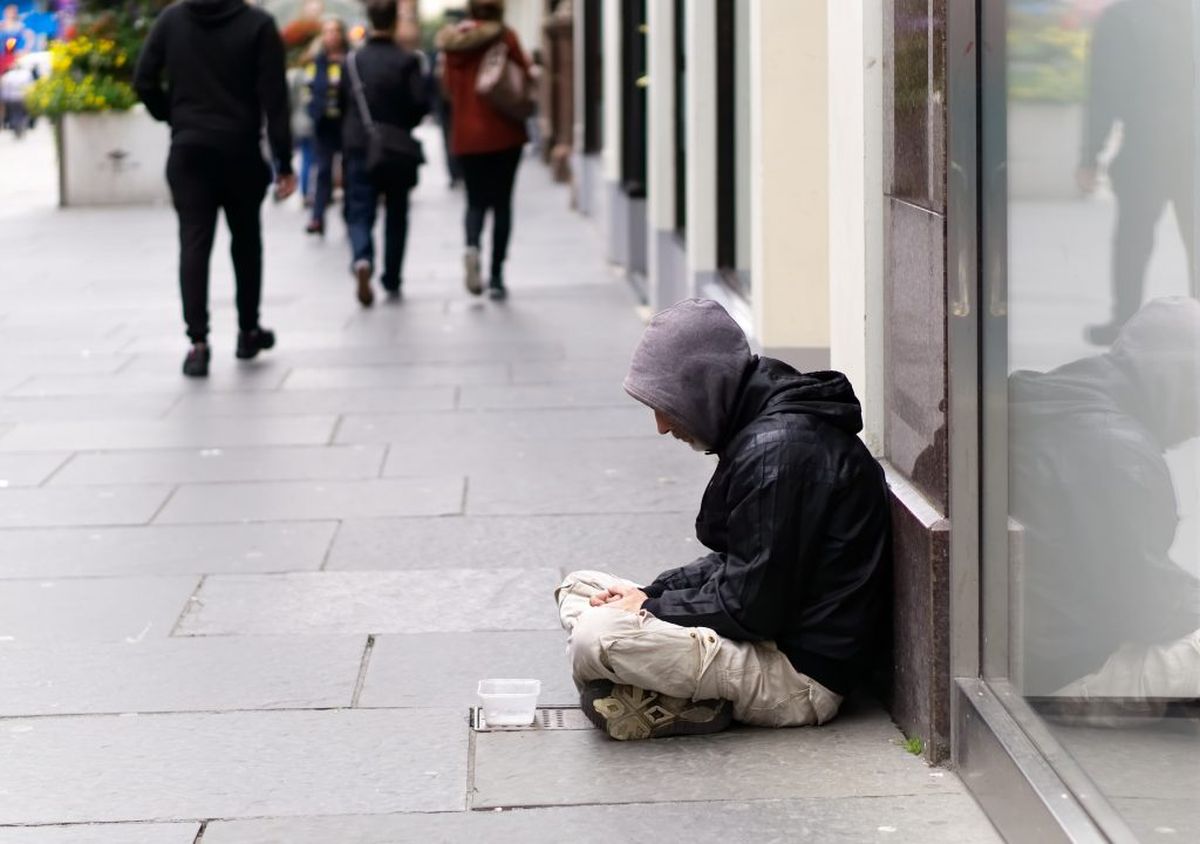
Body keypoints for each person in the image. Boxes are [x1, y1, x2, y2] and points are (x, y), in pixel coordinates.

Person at [556, 300, 893, 741]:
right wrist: (648, 593)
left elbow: (750, 607)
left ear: (702, 386)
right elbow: (737, 563)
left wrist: (649, 609)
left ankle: (678, 695)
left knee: (596, 637)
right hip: (765, 637)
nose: (661, 426)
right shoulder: (767, 433)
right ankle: (662, 690)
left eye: (666, 405)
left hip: (797, 676)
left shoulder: (780, 451)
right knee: (580, 587)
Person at [1009, 297, 1200, 715]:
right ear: (1177, 381)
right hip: (1066, 676)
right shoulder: (1120, 453)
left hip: (1018, 654)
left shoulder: (1047, 393)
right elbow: (1146, 609)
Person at [134, 0, 296, 377]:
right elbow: (275, 99)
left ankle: (198, 343)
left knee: (193, 242)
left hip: (189, 151)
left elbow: (143, 79)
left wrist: (172, 116)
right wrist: (284, 163)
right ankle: (247, 331)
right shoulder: (258, 25)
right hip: (240, 149)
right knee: (246, 241)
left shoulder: (172, 20)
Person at [1078, 0, 1195, 346]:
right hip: (1191, 144)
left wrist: (1089, 158)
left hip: (1148, 147)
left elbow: (1103, 92)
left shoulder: (1121, 17)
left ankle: (1125, 323)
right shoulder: (1186, 12)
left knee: (1133, 238)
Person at [437, 0, 530, 301]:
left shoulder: (453, 44)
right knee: (502, 204)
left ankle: (472, 246)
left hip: (466, 135)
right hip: (504, 133)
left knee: (475, 201)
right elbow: (524, 75)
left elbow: (448, 88)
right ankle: (496, 277)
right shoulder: (506, 37)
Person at [339, 0, 427, 306]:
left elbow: (341, 105)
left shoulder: (352, 62)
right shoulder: (407, 61)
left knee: (360, 209)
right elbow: (420, 105)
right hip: (395, 146)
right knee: (397, 212)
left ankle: (362, 258)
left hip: (359, 145)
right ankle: (392, 275)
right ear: (394, 22)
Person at [303, 18, 347, 236]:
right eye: (327, 31)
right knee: (322, 171)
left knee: (349, 170)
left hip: (347, 123)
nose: (331, 35)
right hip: (324, 124)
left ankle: (351, 214)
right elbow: (308, 90)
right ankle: (317, 217)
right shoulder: (316, 62)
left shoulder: (350, 60)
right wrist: (313, 110)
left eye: (335, 31)